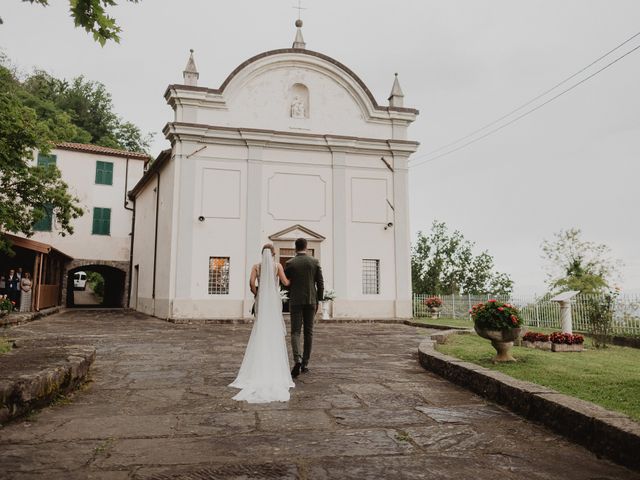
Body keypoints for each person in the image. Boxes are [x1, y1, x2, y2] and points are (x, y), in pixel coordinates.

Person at [229, 243, 294, 403]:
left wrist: (256, 293)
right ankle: (274, 366)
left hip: (262, 301)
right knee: (274, 331)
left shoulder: (256, 267)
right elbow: (286, 283)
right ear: (272, 254)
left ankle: (256, 367)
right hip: (273, 302)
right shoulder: (277, 265)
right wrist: (292, 277)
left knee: (260, 329)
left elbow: (251, 283)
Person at [285, 237, 324, 378]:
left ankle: (297, 360)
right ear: (306, 247)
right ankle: (305, 364)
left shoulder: (290, 263)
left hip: (295, 300)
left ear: (295, 248)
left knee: (295, 331)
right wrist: (319, 299)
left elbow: (285, 283)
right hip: (311, 300)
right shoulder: (314, 262)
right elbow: (320, 283)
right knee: (309, 332)